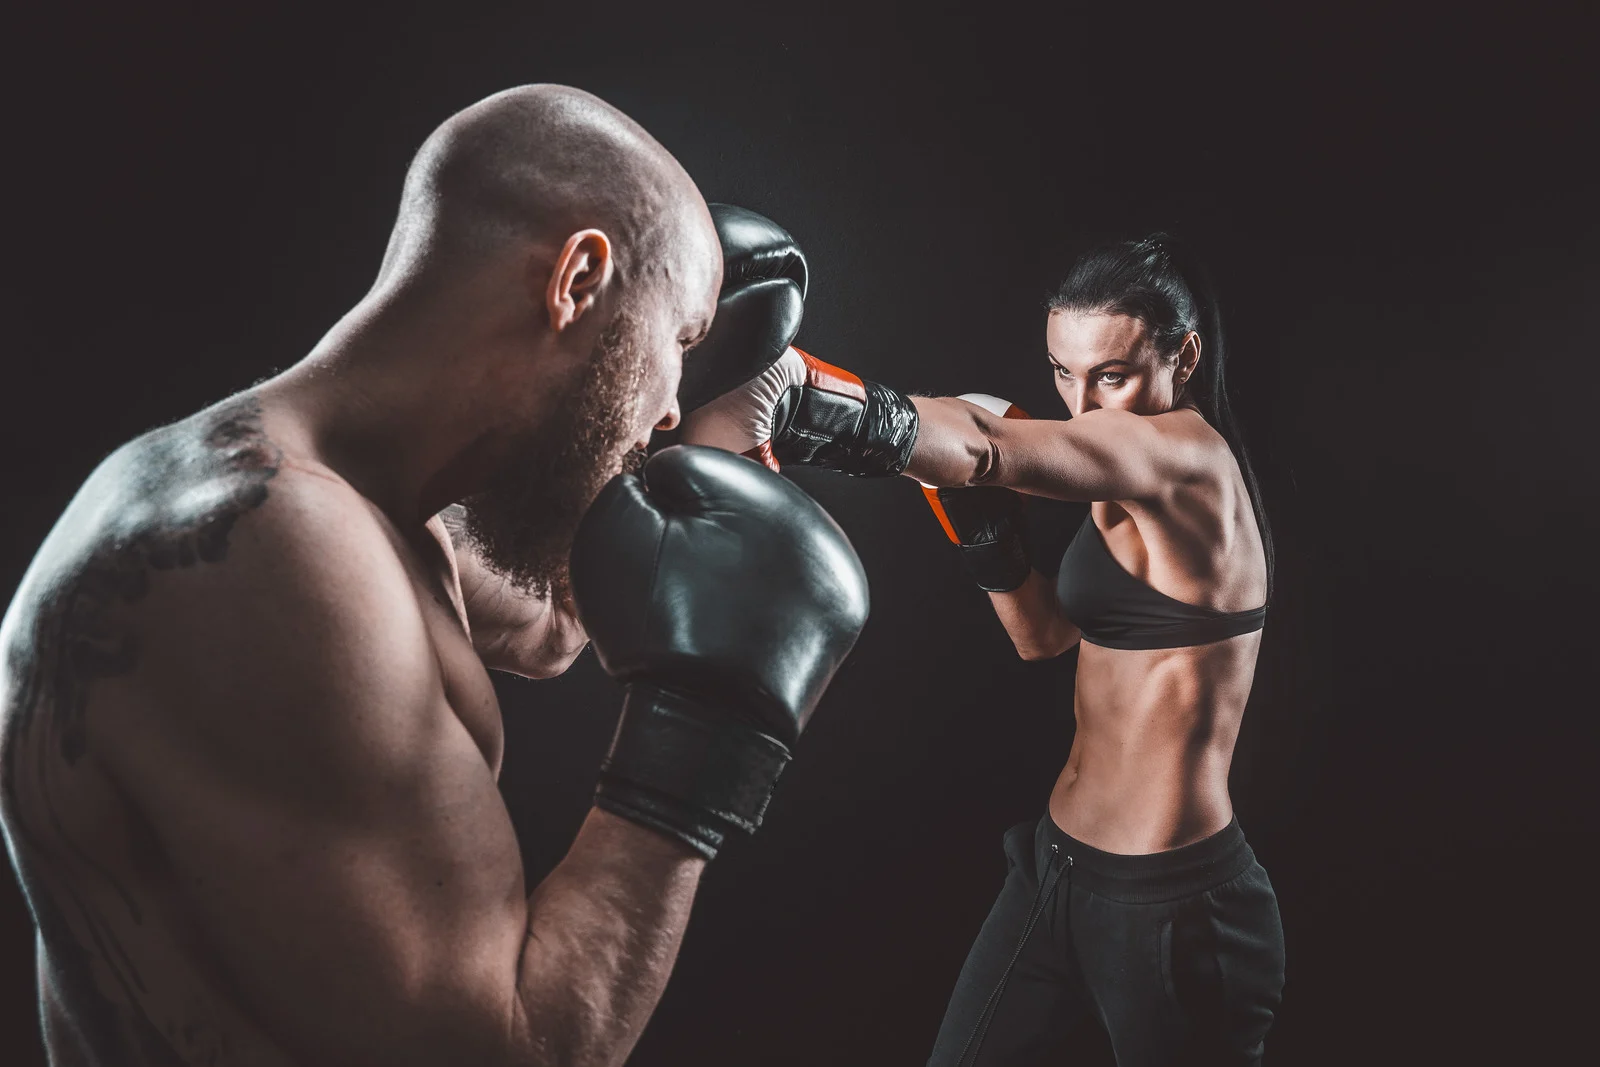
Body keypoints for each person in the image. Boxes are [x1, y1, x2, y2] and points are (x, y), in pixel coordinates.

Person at [0, 84, 866, 1067]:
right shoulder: (277, 557)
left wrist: (695, 402)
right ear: (578, 280)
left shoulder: (368, 513)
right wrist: (710, 738)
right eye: (678, 344)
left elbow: (552, 628)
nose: (669, 409)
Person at [681, 234, 1286, 1065]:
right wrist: (989, 538)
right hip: (1055, 869)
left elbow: (987, 443)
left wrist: (799, 398)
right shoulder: (1117, 467)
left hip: (1174, 909)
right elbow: (1042, 636)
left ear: (1183, 356)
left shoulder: (1185, 456)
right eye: (1063, 372)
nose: (1083, 405)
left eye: (1111, 375)